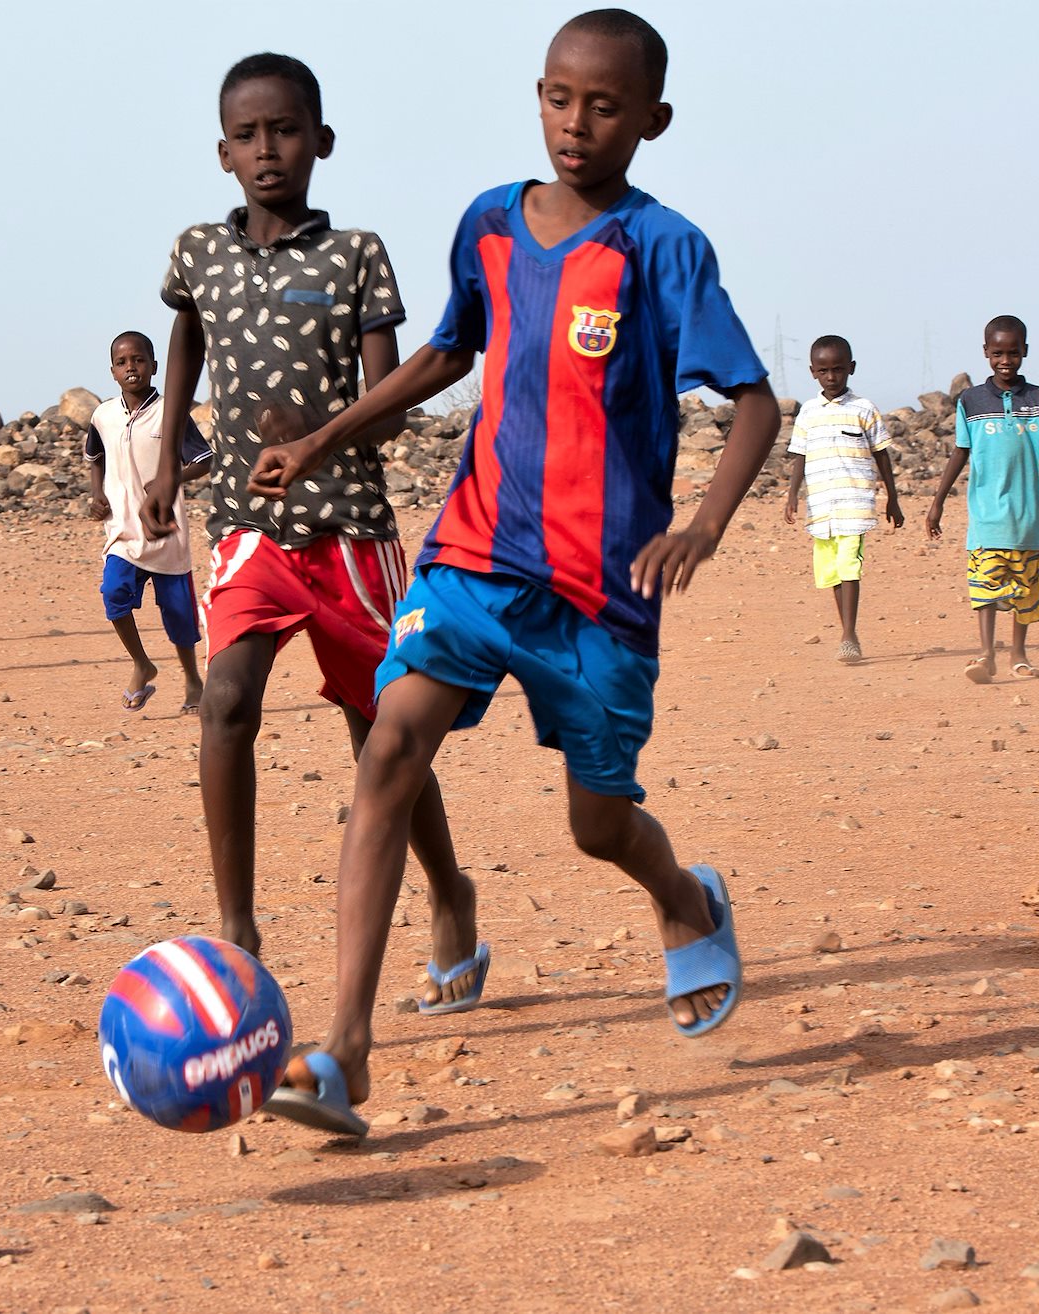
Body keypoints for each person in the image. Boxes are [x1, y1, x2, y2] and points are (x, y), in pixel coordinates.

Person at [247, 9, 777, 1136]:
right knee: (388, 745)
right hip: (474, 555)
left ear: (651, 120)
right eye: (556, 98)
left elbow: (752, 401)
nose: (574, 125)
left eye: (602, 106)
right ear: (535, 95)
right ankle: (343, 1047)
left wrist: (703, 525)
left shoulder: (661, 247)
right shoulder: (489, 223)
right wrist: (325, 438)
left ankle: (684, 900)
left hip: (599, 595)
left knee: (596, 825)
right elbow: (449, 348)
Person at [140, 52, 480, 1013]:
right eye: (246, 136)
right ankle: (237, 931)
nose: (267, 151)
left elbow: (393, 403)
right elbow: (186, 348)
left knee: (384, 738)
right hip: (249, 526)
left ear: (320, 141)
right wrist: (171, 459)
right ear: (221, 153)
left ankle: (449, 894)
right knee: (227, 704)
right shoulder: (197, 253)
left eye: (284, 131)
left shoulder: (356, 256)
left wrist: (321, 438)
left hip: (350, 535)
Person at [926, 315, 1039, 682]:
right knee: (984, 587)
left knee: (1025, 592)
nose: (1005, 360)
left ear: (1024, 351)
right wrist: (937, 501)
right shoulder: (971, 400)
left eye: (1012, 353)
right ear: (985, 353)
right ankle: (985, 655)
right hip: (987, 516)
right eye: (997, 353)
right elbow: (960, 452)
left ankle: (1019, 656)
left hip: (1029, 517)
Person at [85, 330, 211, 713]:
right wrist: (96, 494)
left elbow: (206, 459)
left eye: (138, 360)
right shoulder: (103, 415)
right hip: (122, 530)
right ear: (112, 371)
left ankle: (192, 680)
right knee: (113, 594)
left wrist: (174, 477)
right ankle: (141, 663)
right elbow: (95, 456)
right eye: (122, 362)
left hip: (165, 533)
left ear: (154, 366)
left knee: (178, 618)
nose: (131, 368)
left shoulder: (169, 412)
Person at [782, 335, 902, 663]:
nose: (831, 377)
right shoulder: (808, 412)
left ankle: (849, 635)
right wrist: (792, 495)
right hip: (821, 505)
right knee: (833, 571)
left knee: (850, 565)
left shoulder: (864, 409)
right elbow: (800, 457)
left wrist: (892, 497)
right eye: (823, 371)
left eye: (837, 369)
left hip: (855, 502)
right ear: (812, 372)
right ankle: (847, 629)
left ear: (851, 368)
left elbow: (881, 455)